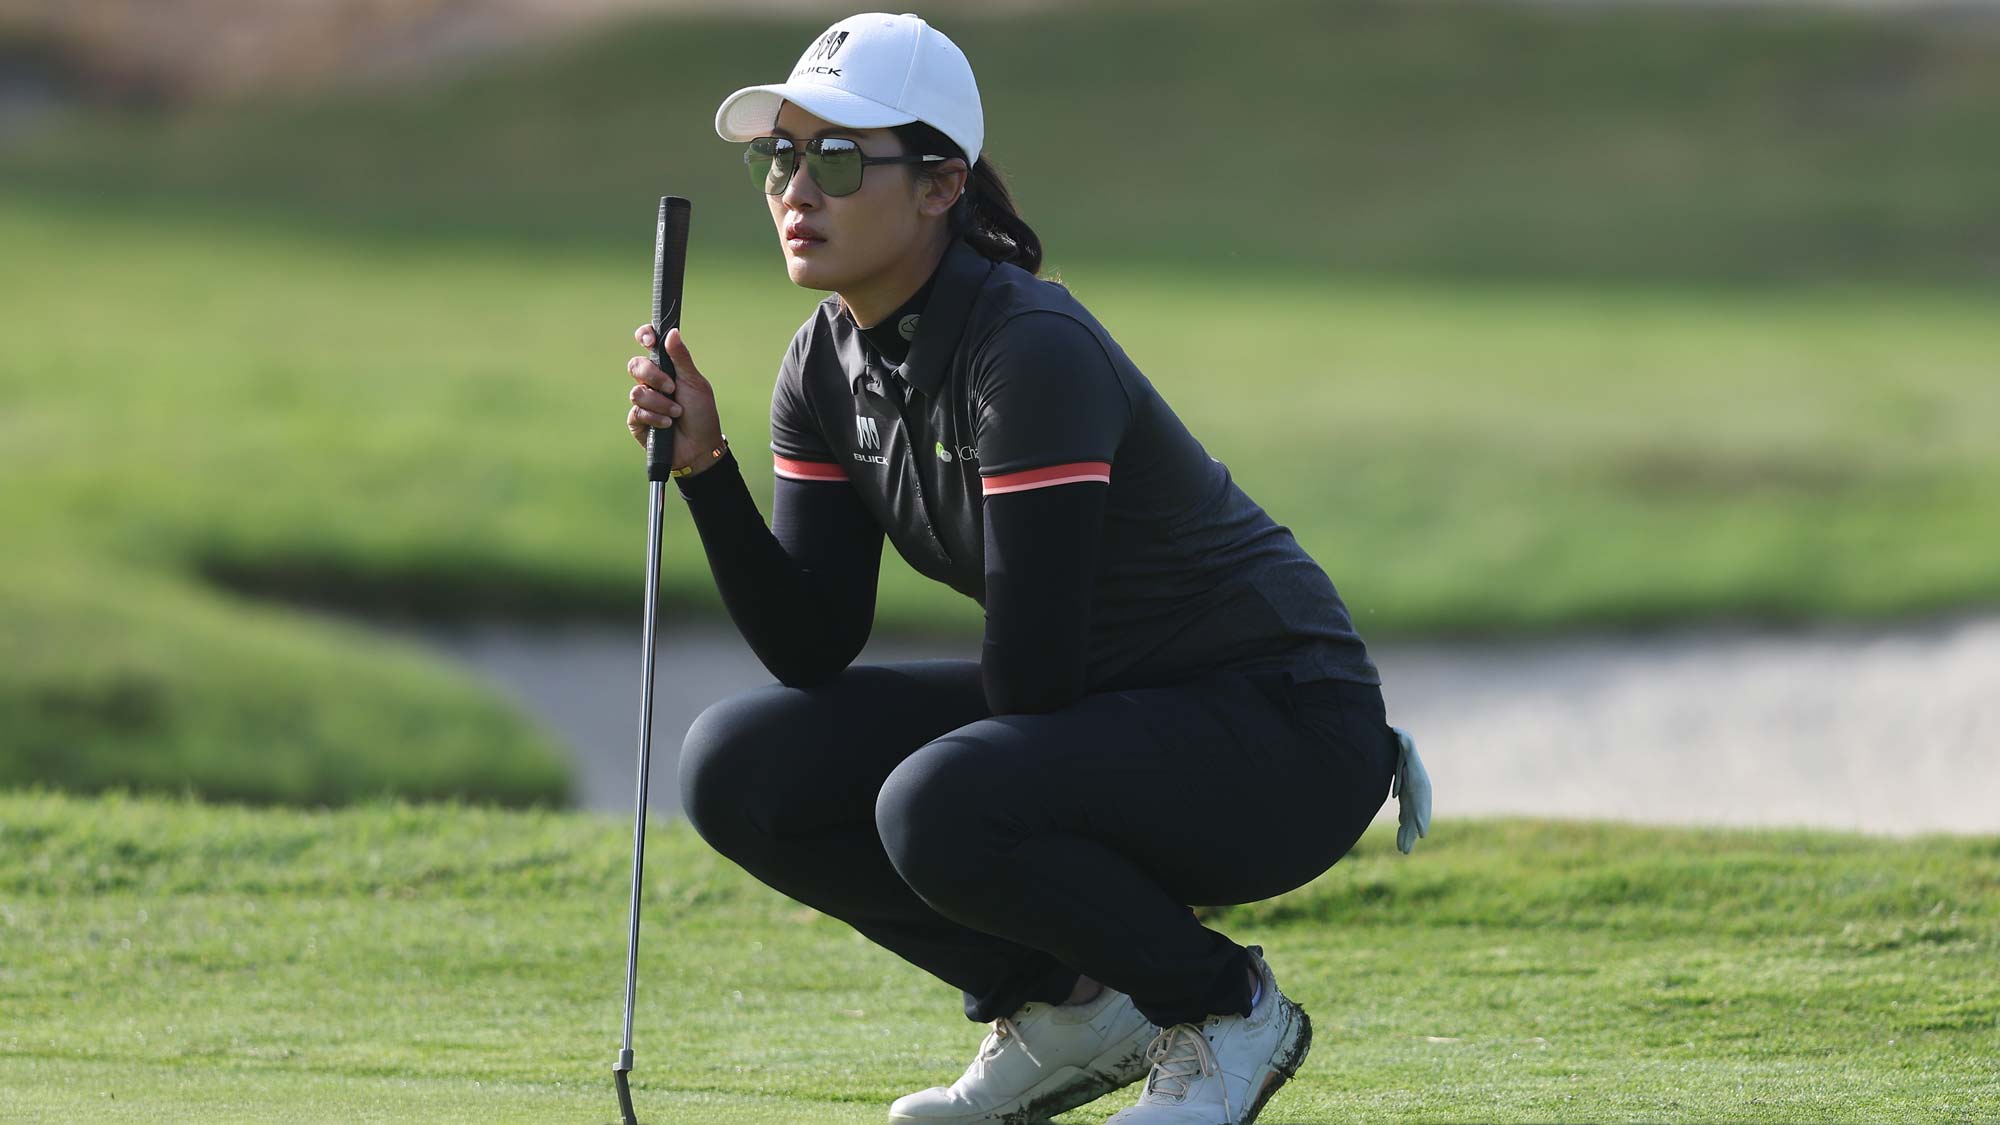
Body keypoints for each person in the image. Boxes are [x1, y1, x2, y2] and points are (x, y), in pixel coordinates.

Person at [622, 13, 1430, 1125]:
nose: (796, 189)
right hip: (1117, 708)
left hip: (1281, 731)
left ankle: (1225, 1007)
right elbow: (811, 642)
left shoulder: (1028, 348)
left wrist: (967, 788)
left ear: (941, 186)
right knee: (737, 765)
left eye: (841, 158)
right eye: (781, 156)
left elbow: (1034, 689)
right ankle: (1067, 1008)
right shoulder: (820, 363)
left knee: (939, 801)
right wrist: (706, 468)